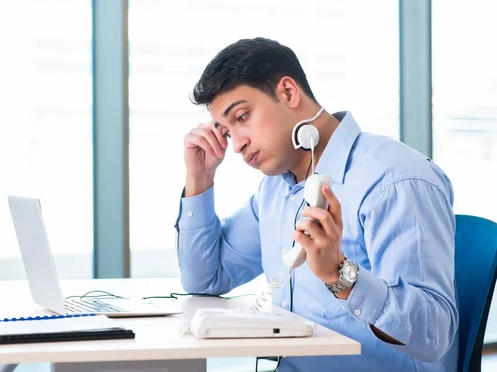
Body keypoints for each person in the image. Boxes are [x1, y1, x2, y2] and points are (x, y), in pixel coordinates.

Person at [174, 37, 458, 371]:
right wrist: (199, 179)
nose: (237, 144)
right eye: (225, 131)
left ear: (288, 92)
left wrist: (341, 277)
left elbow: (434, 335)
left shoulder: (394, 181)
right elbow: (204, 279)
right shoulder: (276, 190)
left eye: (242, 117)